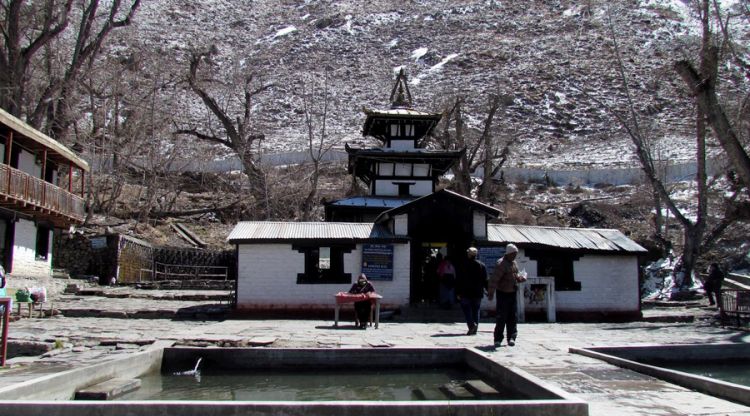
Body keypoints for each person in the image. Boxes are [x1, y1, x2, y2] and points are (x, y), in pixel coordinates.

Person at [488, 243, 526, 347]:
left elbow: (516, 275)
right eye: (514, 254)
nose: (515, 256)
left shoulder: (513, 263)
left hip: (512, 293)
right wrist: (491, 292)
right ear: (509, 253)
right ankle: (498, 339)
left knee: (512, 317)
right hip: (503, 294)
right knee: (501, 317)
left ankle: (512, 337)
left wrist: (520, 278)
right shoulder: (501, 264)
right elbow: (494, 280)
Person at [456, 247, 487, 335]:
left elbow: (459, 279)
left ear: (468, 255)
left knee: (466, 309)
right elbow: (485, 279)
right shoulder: (482, 265)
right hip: (477, 292)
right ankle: (475, 328)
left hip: (465, 291)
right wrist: (487, 289)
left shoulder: (463, 265)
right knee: (476, 310)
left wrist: (458, 292)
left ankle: (471, 325)